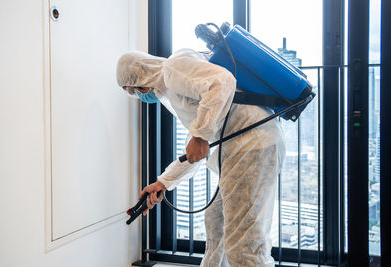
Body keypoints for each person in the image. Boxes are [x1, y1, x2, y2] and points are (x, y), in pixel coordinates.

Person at [116, 48, 285, 267]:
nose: (138, 96)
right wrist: (163, 183)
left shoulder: (173, 68)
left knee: (244, 244)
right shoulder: (174, 89)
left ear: (140, 79)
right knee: (216, 224)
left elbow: (222, 82)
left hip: (253, 144)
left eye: (132, 91)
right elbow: (194, 151)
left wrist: (200, 135)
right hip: (241, 148)